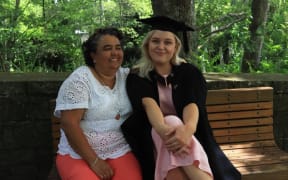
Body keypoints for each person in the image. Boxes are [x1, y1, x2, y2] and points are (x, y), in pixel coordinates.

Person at [121, 16, 241, 180]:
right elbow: (149, 105)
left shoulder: (189, 72)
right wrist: (165, 131)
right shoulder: (138, 75)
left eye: (167, 42)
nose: (161, 47)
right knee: (170, 122)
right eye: (155, 41)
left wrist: (186, 132)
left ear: (176, 46)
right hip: (153, 134)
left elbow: (191, 104)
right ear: (147, 45)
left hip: (191, 134)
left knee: (173, 123)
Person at [54, 28, 142, 180]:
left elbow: (156, 67)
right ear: (93, 55)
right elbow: (69, 124)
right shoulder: (80, 80)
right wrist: (94, 161)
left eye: (118, 48)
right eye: (107, 48)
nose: (115, 53)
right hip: (79, 155)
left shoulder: (126, 76)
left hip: (120, 150)